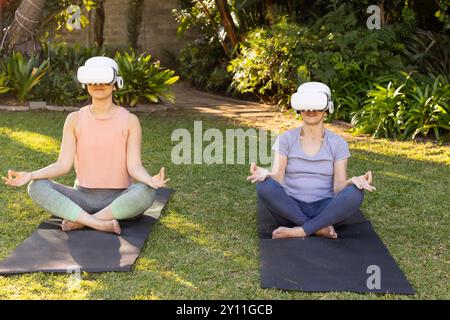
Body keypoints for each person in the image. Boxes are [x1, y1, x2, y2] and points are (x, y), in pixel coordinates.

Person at [2, 56, 169, 235]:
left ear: (116, 83)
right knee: (35, 186)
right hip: (81, 198)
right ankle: (98, 222)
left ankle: (82, 221)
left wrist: (148, 180)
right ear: (85, 83)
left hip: (119, 200)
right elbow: (63, 165)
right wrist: (31, 175)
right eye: (92, 79)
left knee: (147, 190)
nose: (98, 83)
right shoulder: (74, 119)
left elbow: (134, 166)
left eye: (104, 78)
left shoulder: (130, 121)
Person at [247, 82, 376, 239]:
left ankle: (300, 230)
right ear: (299, 108)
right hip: (290, 209)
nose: (310, 110)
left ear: (327, 109)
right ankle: (317, 228)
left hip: (325, 208)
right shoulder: (285, 139)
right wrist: (265, 174)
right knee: (264, 186)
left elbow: (338, 187)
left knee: (355, 193)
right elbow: (278, 178)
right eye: (306, 105)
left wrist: (353, 181)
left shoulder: (338, 143)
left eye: (316, 105)